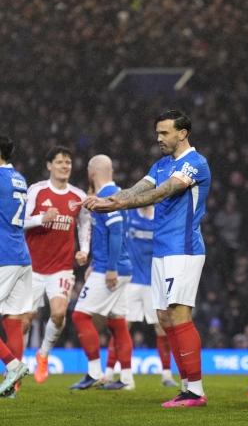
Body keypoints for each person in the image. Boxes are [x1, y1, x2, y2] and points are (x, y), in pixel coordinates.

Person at [84, 109, 211, 408]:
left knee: (179, 315)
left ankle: (195, 390)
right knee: (165, 318)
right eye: (157, 133)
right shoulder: (161, 164)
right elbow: (137, 189)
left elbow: (161, 194)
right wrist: (109, 200)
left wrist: (117, 206)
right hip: (161, 250)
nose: (159, 138)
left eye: (165, 132)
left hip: (183, 248)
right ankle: (186, 385)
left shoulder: (195, 163)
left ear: (182, 133)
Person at [24, 146, 91, 384]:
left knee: (59, 313)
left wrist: (84, 250)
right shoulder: (37, 191)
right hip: (32, 267)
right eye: (60, 162)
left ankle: (43, 355)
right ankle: (17, 367)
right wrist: (41, 219)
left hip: (61, 267)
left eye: (68, 162)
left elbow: (84, 225)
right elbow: (20, 221)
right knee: (25, 319)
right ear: (49, 165)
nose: (65, 166)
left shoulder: (78, 196)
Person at [70, 154, 134, 390]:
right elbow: (106, 235)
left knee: (80, 316)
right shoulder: (114, 193)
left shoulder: (108, 196)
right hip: (118, 266)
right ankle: (126, 379)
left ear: (92, 172)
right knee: (118, 323)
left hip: (112, 268)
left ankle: (94, 372)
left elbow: (116, 233)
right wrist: (95, 264)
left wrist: (110, 268)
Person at [102, 205, 177, 388]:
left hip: (153, 282)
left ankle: (167, 375)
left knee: (161, 327)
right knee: (122, 325)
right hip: (131, 281)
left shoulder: (160, 217)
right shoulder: (129, 215)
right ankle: (109, 373)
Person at [0, 135, 31, 396]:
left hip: (3, 256)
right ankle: (12, 387)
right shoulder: (19, 178)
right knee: (13, 320)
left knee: (13, 319)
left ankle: (12, 366)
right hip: (21, 256)